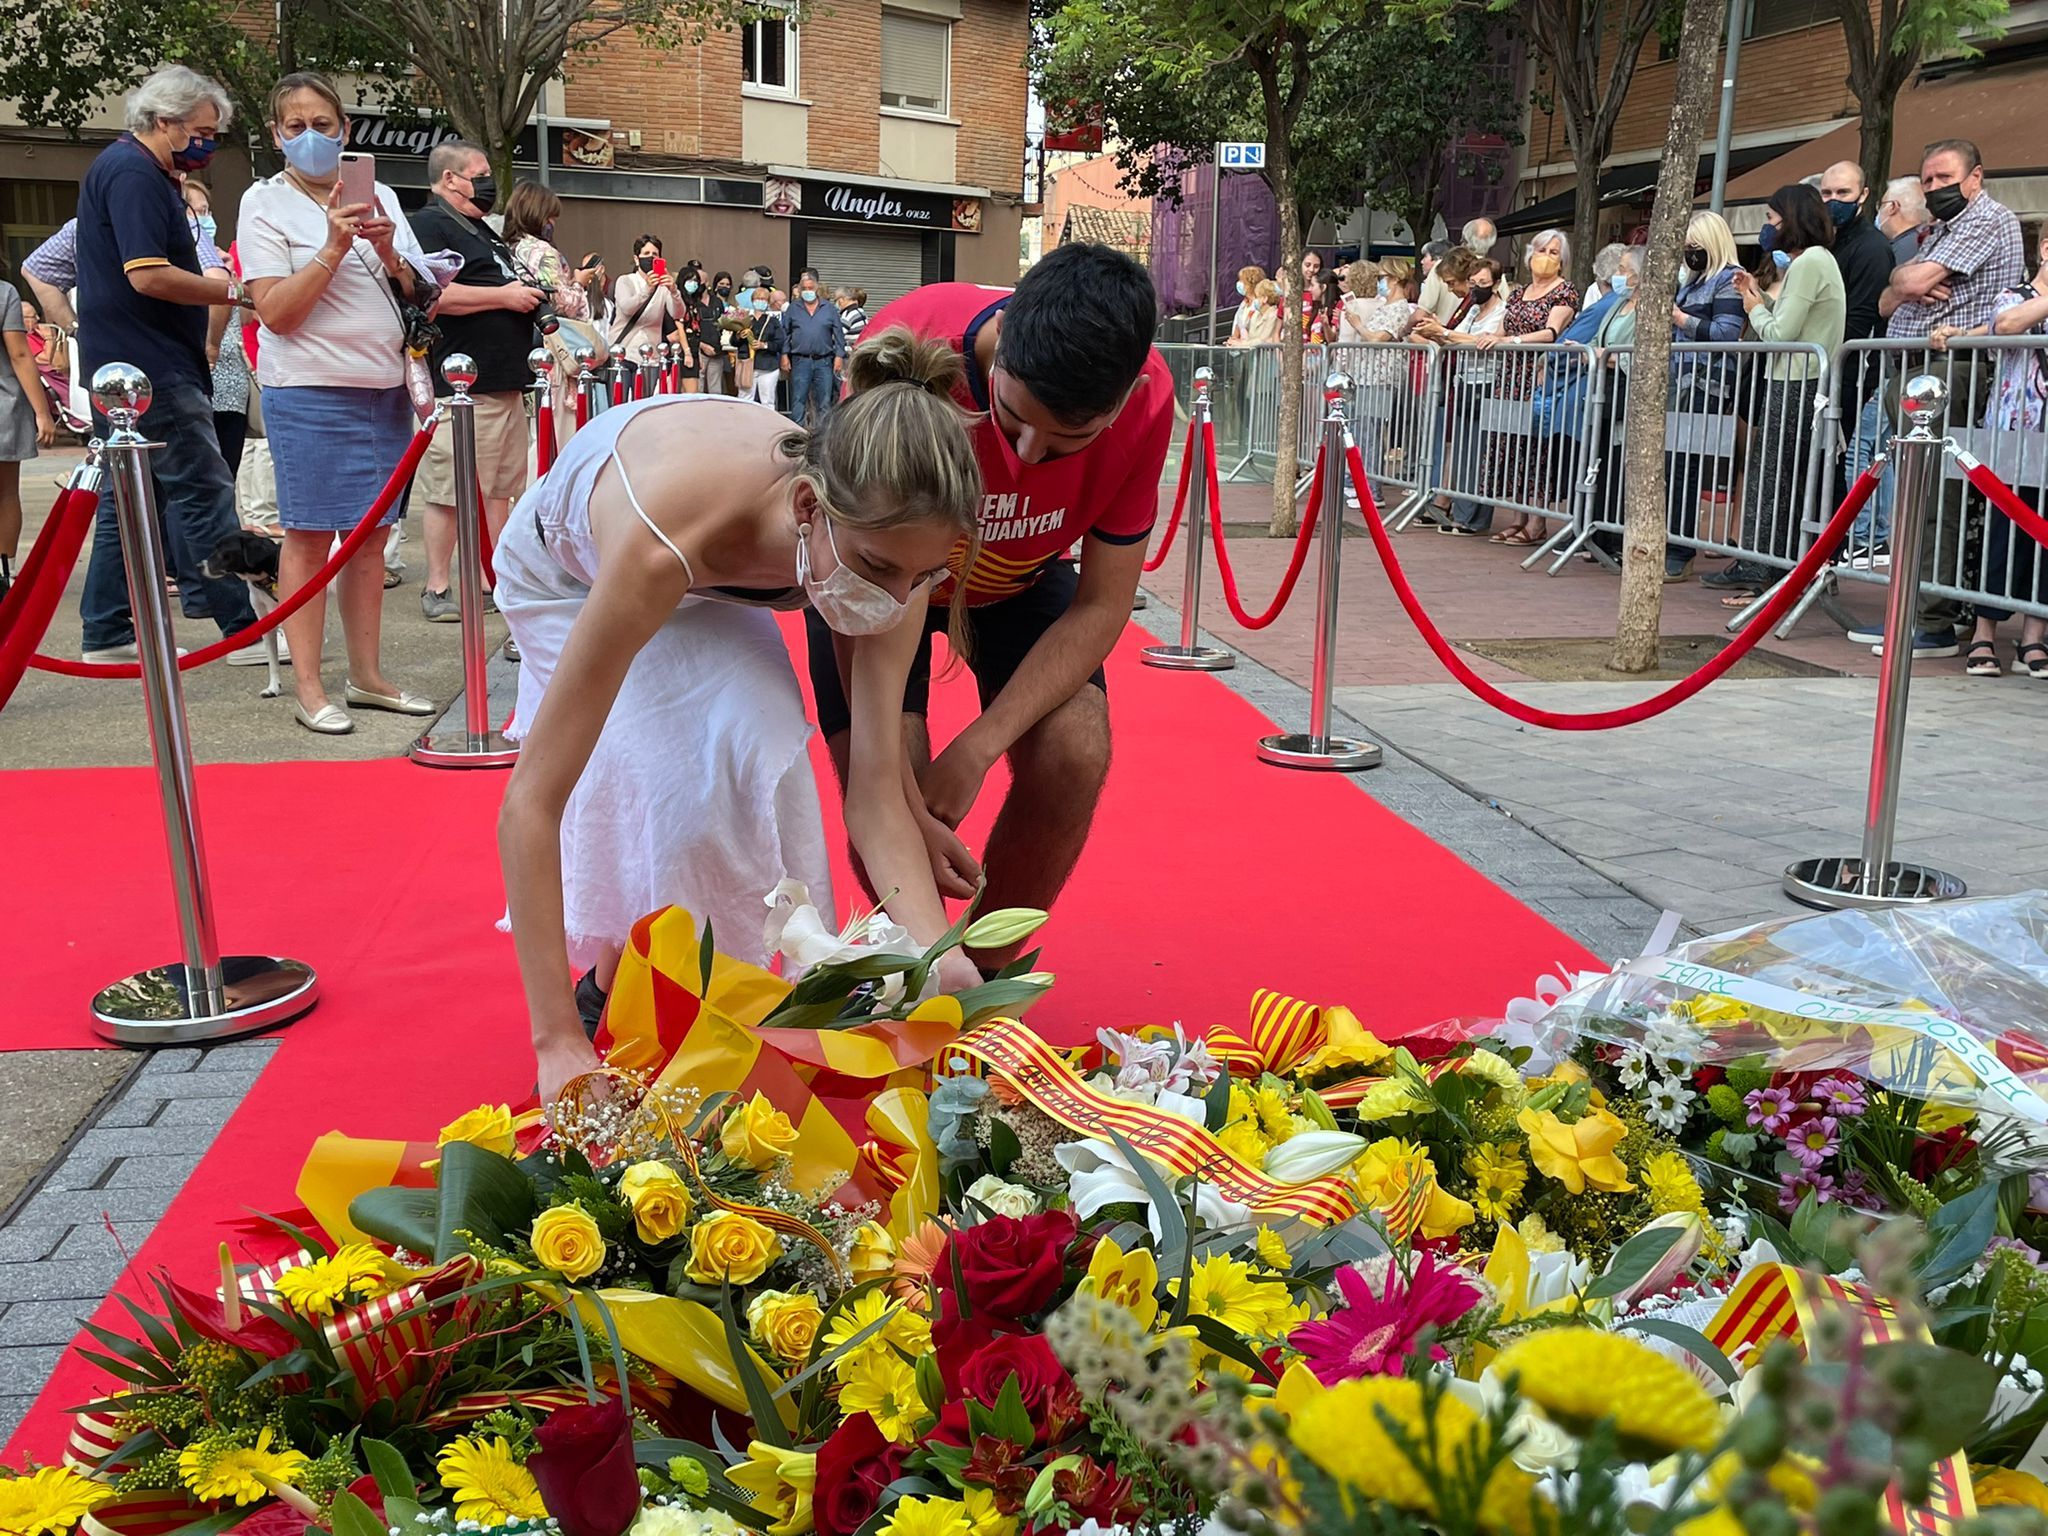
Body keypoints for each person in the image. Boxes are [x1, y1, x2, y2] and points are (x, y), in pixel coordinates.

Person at [497, 328, 986, 1099]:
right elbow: (532, 801)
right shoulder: (665, 541)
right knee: (671, 780)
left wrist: (942, 962)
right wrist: (554, 1043)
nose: (897, 601)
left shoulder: (896, 551)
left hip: (726, 570)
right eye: (880, 570)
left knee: (760, 746)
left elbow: (875, 787)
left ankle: (711, 979)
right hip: (576, 571)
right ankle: (599, 989)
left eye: (922, 576)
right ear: (805, 506)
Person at [804, 243, 1173, 975]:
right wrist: (905, 794)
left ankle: (982, 981)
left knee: (1076, 749)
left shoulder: (1152, 399)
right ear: (998, 345)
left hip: (1017, 577)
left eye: (1070, 441)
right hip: (891, 574)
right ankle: (911, 969)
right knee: (891, 776)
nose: (1031, 458)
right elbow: (856, 546)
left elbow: (1103, 604)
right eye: (1010, 421)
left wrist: (977, 748)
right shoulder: (912, 344)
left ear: (1127, 398)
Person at [239, 69, 438, 736]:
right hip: (311, 390)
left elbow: (418, 289)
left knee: (372, 539)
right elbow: (276, 312)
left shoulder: (377, 191)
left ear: (345, 130)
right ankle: (309, 684)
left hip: (384, 390)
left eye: (323, 125)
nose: (311, 137)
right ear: (276, 136)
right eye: (295, 126)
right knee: (310, 535)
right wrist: (332, 246)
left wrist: (389, 254)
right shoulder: (265, 203)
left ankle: (369, 677)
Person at [73, 64, 263, 665]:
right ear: (164, 122)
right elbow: (148, 274)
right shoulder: (133, 174)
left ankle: (107, 630)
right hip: (151, 367)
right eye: (202, 130)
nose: (207, 143)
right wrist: (233, 293)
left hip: (127, 368)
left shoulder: (133, 170)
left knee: (128, 502)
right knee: (205, 490)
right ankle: (240, 629)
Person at [1869, 138, 2025, 659]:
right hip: (1918, 368)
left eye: (1944, 178)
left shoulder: (1985, 219)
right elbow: (1890, 299)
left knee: (1936, 496)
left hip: (1955, 370)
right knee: (1911, 494)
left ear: (1975, 178)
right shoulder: (1939, 229)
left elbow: (1913, 278)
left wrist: (1907, 282)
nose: (1935, 188)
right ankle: (1912, 610)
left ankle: (1932, 619)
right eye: (1927, 180)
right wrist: (1900, 285)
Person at [407, 139, 544, 624]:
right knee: (450, 491)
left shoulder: (481, 230)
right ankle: (438, 585)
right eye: (480, 173)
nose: (489, 182)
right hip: (461, 385)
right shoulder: (426, 225)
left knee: (498, 488)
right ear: (450, 178)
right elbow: (428, 295)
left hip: (503, 381)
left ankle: (492, 576)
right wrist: (504, 298)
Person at [1704, 185, 1846, 601]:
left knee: (1774, 478)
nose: (1766, 227)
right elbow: (1790, 321)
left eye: (1770, 218)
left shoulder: (1808, 264)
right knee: (1778, 475)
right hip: (1802, 380)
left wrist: (1753, 308)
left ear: (1790, 219)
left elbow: (1780, 333)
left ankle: (1762, 569)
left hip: (1797, 382)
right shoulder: (1817, 262)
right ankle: (1764, 566)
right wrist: (1758, 295)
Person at [1944, 228, 2048, 678]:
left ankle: (2033, 638)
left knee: (2045, 536)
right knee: (2003, 532)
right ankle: (1984, 632)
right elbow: (2006, 326)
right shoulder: (2015, 295)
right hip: (2015, 435)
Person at [1662, 210, 1747, 581]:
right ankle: (1671, 543)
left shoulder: (1727, 280)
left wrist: (1681, 320)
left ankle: (1679, 549)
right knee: (1674, 465)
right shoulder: (1694, 281)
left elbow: (1728, 334)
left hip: (1707, 382)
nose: (1688, 252)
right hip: (1682, 379)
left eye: (1694, 246)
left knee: (1687, 466)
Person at [1487, 228, 1580, 546]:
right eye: (1542, 250)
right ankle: (1517, 517)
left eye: (1554, 253)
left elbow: (1551, 332)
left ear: (1562, 261)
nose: (1546, 257)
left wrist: (1510, 341)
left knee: (1536, 448)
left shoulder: (1564, 292)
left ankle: (1538, 521)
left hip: (1538, 377)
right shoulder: (1516, 293)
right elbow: (1500, 329)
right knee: (1511, 443)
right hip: (1508, 377)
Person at [1413, 250, 1507, 535]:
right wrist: (1437, 333)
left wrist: (1444, 332)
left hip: (1488, 383)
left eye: (1481, 282)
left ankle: (1472, 516)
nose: (1475, 287)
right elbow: (1456, 334)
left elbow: (1478, 339)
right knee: (1463, 448)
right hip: (1464, 381)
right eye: (1473, 281)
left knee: (1479, 452)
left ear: (1494, 283)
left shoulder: (1501, 310)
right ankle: (1458, 508)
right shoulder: (1474, 310)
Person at [0, 272, 60, 598]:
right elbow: (20, 354)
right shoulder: (4, 293)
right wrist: (42, 411)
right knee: (6, 492)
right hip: (3, 404)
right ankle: (5, 573)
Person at [503, 182, 587, 321]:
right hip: (552, 334)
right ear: (538, 216)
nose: (553, 223)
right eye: (551, 217)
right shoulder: (543, 252)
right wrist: (579, 283)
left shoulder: (508, 248)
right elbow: (564, 306)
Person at [782, 267, 845, 427]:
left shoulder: (829, 309)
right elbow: (785, 333)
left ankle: (822, 437)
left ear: (817, 289)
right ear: (800, 289)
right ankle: (797, 434)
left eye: (811, 288)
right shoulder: (793, 309)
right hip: (800, 361)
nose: (808, 291)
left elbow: (839, 335)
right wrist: (784, 355)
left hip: (824, 361)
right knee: (798, 400)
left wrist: (839, 356)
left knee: (824, 402)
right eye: (805, 289)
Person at [612, 235, 679, 378]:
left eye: (655, 254)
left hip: (651, 356)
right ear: (637, 259)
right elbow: (627, 308)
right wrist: (647, 289)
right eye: (646, 254)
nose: (650, 257)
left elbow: (677, 313)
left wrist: (674, 291)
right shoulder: (625, 281)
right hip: (624, 353)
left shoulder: (663, 287)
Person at [749, 285, 784, 408]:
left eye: (764, 299)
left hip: (768, 365)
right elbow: (734, 342)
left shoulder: (773, 322)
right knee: (746, 399)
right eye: (757, 298)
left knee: (767, 401)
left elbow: (780, 343)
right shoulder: (745, 320)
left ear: (768, 302)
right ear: (752, 301)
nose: (760, 301)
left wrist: (764, 345)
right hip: (749, 365)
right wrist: (739, 336)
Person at [700, 270, 733, 396]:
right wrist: (702, 346)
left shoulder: (717, 302)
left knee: (716, 391)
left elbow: (722, 325)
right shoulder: (692, 303)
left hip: (717, 352)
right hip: (700, 351)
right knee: (698, 389)